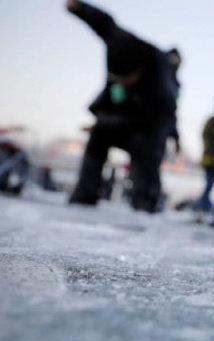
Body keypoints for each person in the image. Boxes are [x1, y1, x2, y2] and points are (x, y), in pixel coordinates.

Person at [65, 0, 177, 212]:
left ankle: (144, 199)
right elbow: (102, 21)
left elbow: (165, 114)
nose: (122, 82)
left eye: (126, 78)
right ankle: (85, 194)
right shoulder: (117, 39)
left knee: (145, 149)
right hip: (119, 113)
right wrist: (79, 8)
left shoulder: (159, 69)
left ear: (139, 71)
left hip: (148, 122)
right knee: (99, 135)